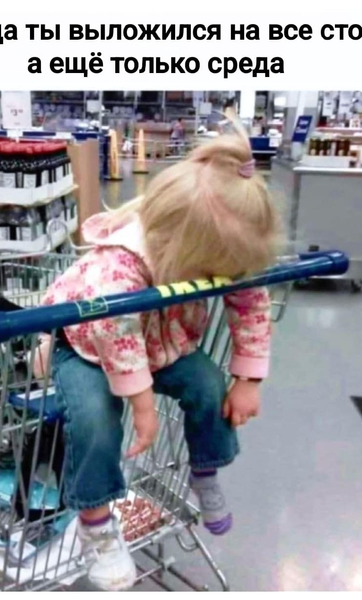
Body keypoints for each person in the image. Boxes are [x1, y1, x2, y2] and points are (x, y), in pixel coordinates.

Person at [35, 123, 281, 591]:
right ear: (174, 249)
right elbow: (114, 332)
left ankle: (204, 471)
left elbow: (249, 299)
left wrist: (249, 379)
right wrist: (142, 405)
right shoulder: (120, 264)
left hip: (160, 338)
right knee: (95, 419)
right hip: (88, 342)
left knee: (207, 383)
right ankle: (96, 526)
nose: (221, 278)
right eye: (211, 272)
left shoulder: (210, 243)